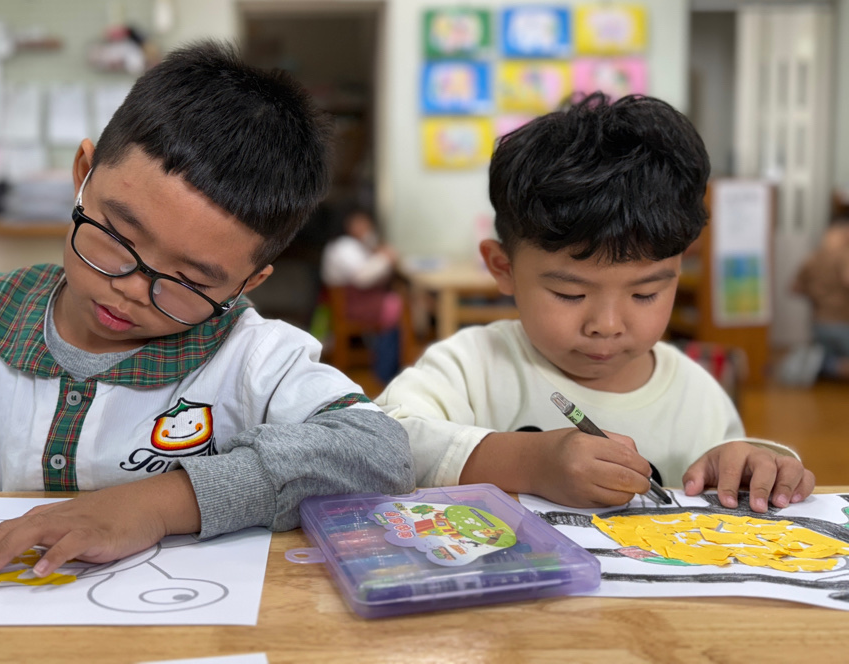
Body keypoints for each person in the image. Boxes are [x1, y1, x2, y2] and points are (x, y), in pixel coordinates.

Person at [0, 40, 414, 582]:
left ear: (246, 283)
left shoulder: (254, 358)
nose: (132, 288)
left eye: (190, 281)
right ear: (83, 176)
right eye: (118, 238)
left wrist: (160, 503)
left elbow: (378, 451)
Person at [376, 93, 815, 514]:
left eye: (645, 294)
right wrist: (530, 463)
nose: (606, 324)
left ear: (678, 270)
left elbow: (734, 480)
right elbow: (382, 444)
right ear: (503, 267)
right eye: (571, 294)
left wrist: (753, 467)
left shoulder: (698, 397)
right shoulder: (471, 367)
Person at [320, 205, 402, 383]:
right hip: (351, 306)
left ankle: (387, 366)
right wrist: (386, 257)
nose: (365, 227)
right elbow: (363, 277)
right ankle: (386, 370)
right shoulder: (343, 246)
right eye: (360, 222)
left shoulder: (354, 246)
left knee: (399, 302)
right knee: (398, 306)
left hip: (355, 301)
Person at [778, 217, 849, 386]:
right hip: (842, 321)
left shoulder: (812, 257)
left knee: (828, 357)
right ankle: (820, 366)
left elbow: (794, 288)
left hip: (819, 322)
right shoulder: (844, 255)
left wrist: (817, 294)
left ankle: (817, 365)